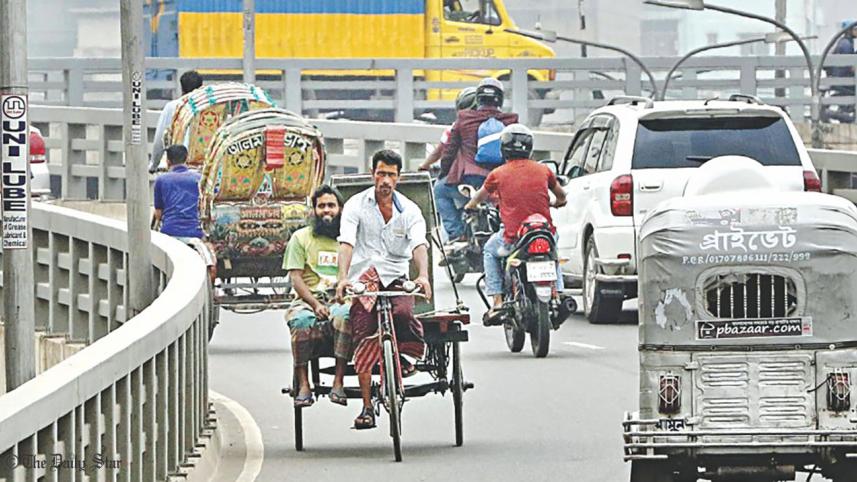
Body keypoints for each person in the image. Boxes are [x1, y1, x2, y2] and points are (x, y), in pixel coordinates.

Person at [335, 149, 432, 430]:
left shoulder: (410, 211)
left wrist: (423, 276)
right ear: (372, 175)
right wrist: (343, 278)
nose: (385, 180)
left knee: (403, 314)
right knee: (363, 333)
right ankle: (366, 407)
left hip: (395, 277)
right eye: (381, 174)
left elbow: (418, 245)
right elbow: (347, 242)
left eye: (391, 174)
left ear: (398, 178)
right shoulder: (355, 205)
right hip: (365, 279)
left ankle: (402, 359)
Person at [463, 124, 567, 324]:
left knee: (490, 251)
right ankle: (558, 293)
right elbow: (561, 196)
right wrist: (556, 203)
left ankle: (497, 302)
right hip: (544, 233)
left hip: (514, 238)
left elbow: (479, 198)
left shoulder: (497, 174)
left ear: (503, 148)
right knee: (553, 254)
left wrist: (471, 205)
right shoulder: (544, 170)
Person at [282, 185, 352, 407]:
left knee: (346, 316)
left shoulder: (347, 240)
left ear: (340, 209)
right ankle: (303, 384)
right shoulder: (300, 238)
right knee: (300, 322)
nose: (327, 211)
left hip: (341, 298)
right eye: (321, 206)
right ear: (314, 210)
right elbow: (296, 277)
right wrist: (313, 305)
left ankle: (338, 381)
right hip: (308, 299)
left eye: (331, 205)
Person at [438, 77, 518, 243]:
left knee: (439, 190)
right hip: (500, 181)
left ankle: (456, 233)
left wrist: (443, 173)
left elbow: (449, 152)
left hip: (470, 179)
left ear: (478, 98)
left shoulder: (464, 118)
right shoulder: (510, 121)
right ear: (500, 99)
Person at [417, 87, 478, 241]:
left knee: (439, 190)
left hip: (466, 178)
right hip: (491, 179)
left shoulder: (457, 126)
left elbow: (439, 151)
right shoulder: (492, 124)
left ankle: (456, 233)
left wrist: (424, 165)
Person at [149, 70, 204, 173]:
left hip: (178, 166)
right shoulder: (208, 109)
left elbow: (159, 139)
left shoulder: (172, 107)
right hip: (202, 169)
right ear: (201, 88)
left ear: (182, 89)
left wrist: (154, 164)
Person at [152, 144, 203, 240]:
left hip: (170, 232)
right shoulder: (199, 178)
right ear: (186, 159)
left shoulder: (161, 180)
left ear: (168, 161)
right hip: (195, 232)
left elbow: (158, 214)